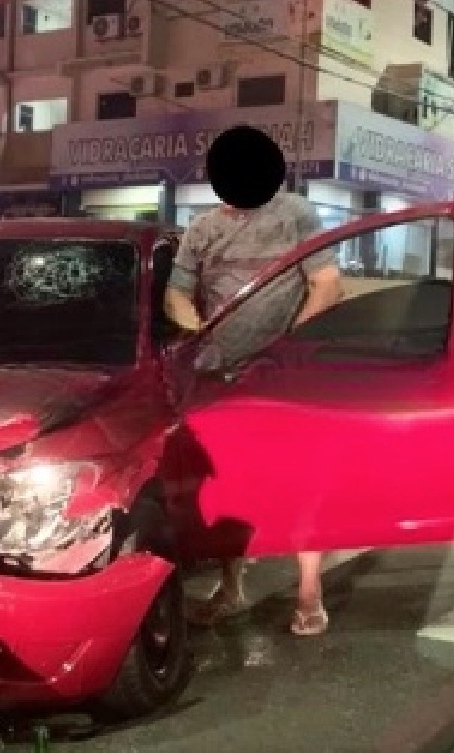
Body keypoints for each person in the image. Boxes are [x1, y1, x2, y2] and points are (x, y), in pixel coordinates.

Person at [165, 127, 344, 637]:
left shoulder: (297, 215)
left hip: (285, 377)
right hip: (219, 377)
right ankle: (231, 587)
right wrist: (198, 334)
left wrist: (288, 344)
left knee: (300, 482)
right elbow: (177, 294)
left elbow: (326, 284)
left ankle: (310, 594)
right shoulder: (201, 228)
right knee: (229, 486)